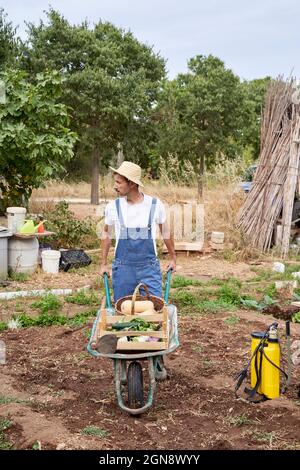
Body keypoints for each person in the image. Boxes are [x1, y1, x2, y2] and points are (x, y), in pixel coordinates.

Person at [100, 161, 176, 301]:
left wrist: (173, 258)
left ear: (132, 184)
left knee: (154, 307)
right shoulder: (113, 207)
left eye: (119, 182)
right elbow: (106, 234)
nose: (115, 186)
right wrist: (104, 264)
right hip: (123, 270)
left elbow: (166, 232)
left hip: (149, 269)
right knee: (123, 310)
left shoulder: (154, 205)